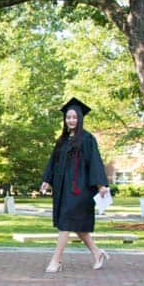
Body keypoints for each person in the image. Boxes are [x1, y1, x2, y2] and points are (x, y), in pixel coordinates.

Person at [40, 98, 110, 273]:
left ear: (80, 119)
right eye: (68, 117)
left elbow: (95, 162)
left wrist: (101, 185)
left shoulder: (87, 139)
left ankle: (56, 260)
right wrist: (46, 180)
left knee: (65, 223)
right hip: (63, 189)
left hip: (80, 189)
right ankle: (97, 253)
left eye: (74, 117)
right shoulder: (62, 140)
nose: (71, 120)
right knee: (77, 226)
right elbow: (53, 162)